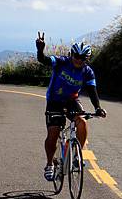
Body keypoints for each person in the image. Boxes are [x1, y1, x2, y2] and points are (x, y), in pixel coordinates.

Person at [36, 31, 107, 181]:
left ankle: (76, 156)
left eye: (83, 58)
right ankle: (50, 164)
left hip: (71, 101)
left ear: (87, 59)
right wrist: (40, 50)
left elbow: (92, 91)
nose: (79, 60)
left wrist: (98, 108)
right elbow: (43, 60)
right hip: (54, 101)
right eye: (76, 56)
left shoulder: (87, 72)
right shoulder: (61, 62)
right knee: (53, 133)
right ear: (71, 54)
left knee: (82, 122)